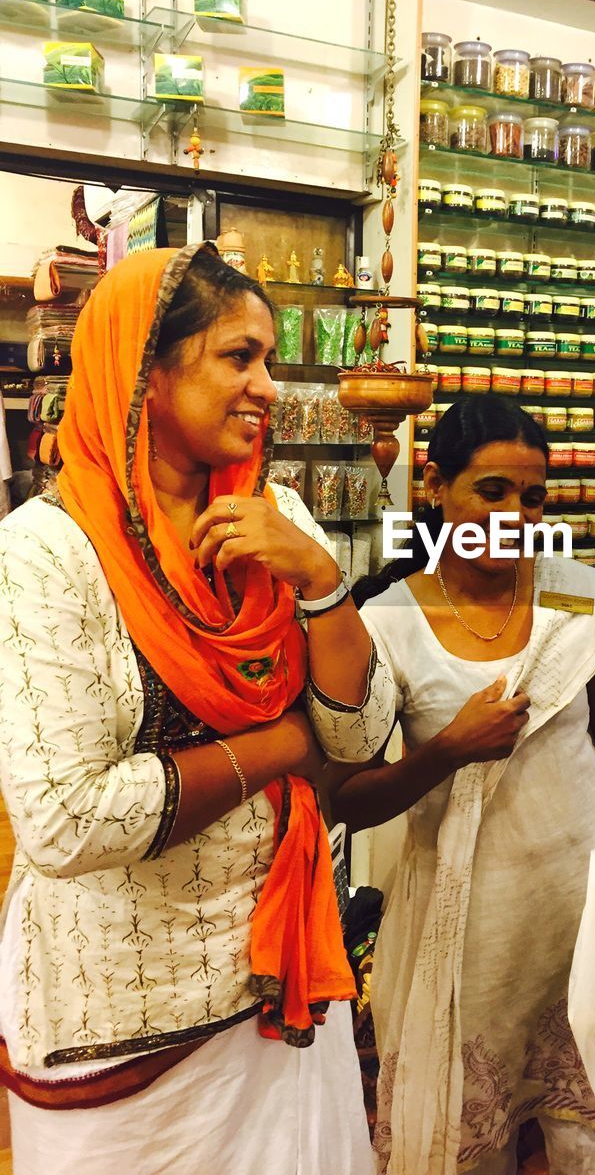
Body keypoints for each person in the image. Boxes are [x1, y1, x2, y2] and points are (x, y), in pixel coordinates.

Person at [0, 245, 376, 1174]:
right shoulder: (46, 553)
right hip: (126, 1022)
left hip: (278, 980)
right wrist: (285, 744)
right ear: (148, 376)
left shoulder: (275, 516)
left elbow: (361, 735)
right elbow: (67, 820)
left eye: (272, 361)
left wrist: (323, 586)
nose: (269, 387)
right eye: (238, 357)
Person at [311, 395, 595, 1175]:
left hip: (584, 908)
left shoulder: (575, 595)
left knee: (594, 1131)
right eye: (490, 491)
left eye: (532, 498)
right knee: (466, 1141)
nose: (514, 517)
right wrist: (449, 750)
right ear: (434, 485)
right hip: (473, 935)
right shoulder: (390, 621)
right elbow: (346, 797)